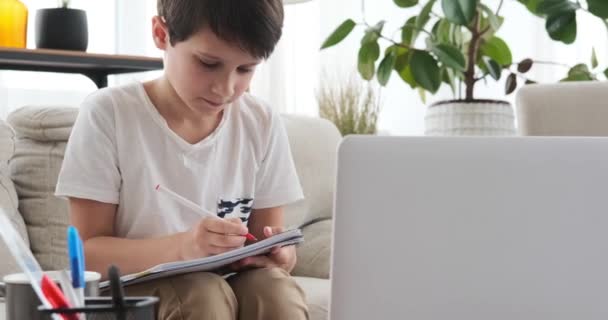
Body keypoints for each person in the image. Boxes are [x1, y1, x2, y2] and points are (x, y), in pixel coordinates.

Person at [55, 0, 309, 319]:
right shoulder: (109, 113)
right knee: (200, 294)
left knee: (274, 289)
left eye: (245, 69)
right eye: (207, 63)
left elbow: (269, 242)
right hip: (132, 291)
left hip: (223, 283)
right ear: (161, 34)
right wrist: (185, 247)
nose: (225, 88)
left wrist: (280, 256)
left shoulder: (260, 121)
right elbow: (88, 256)